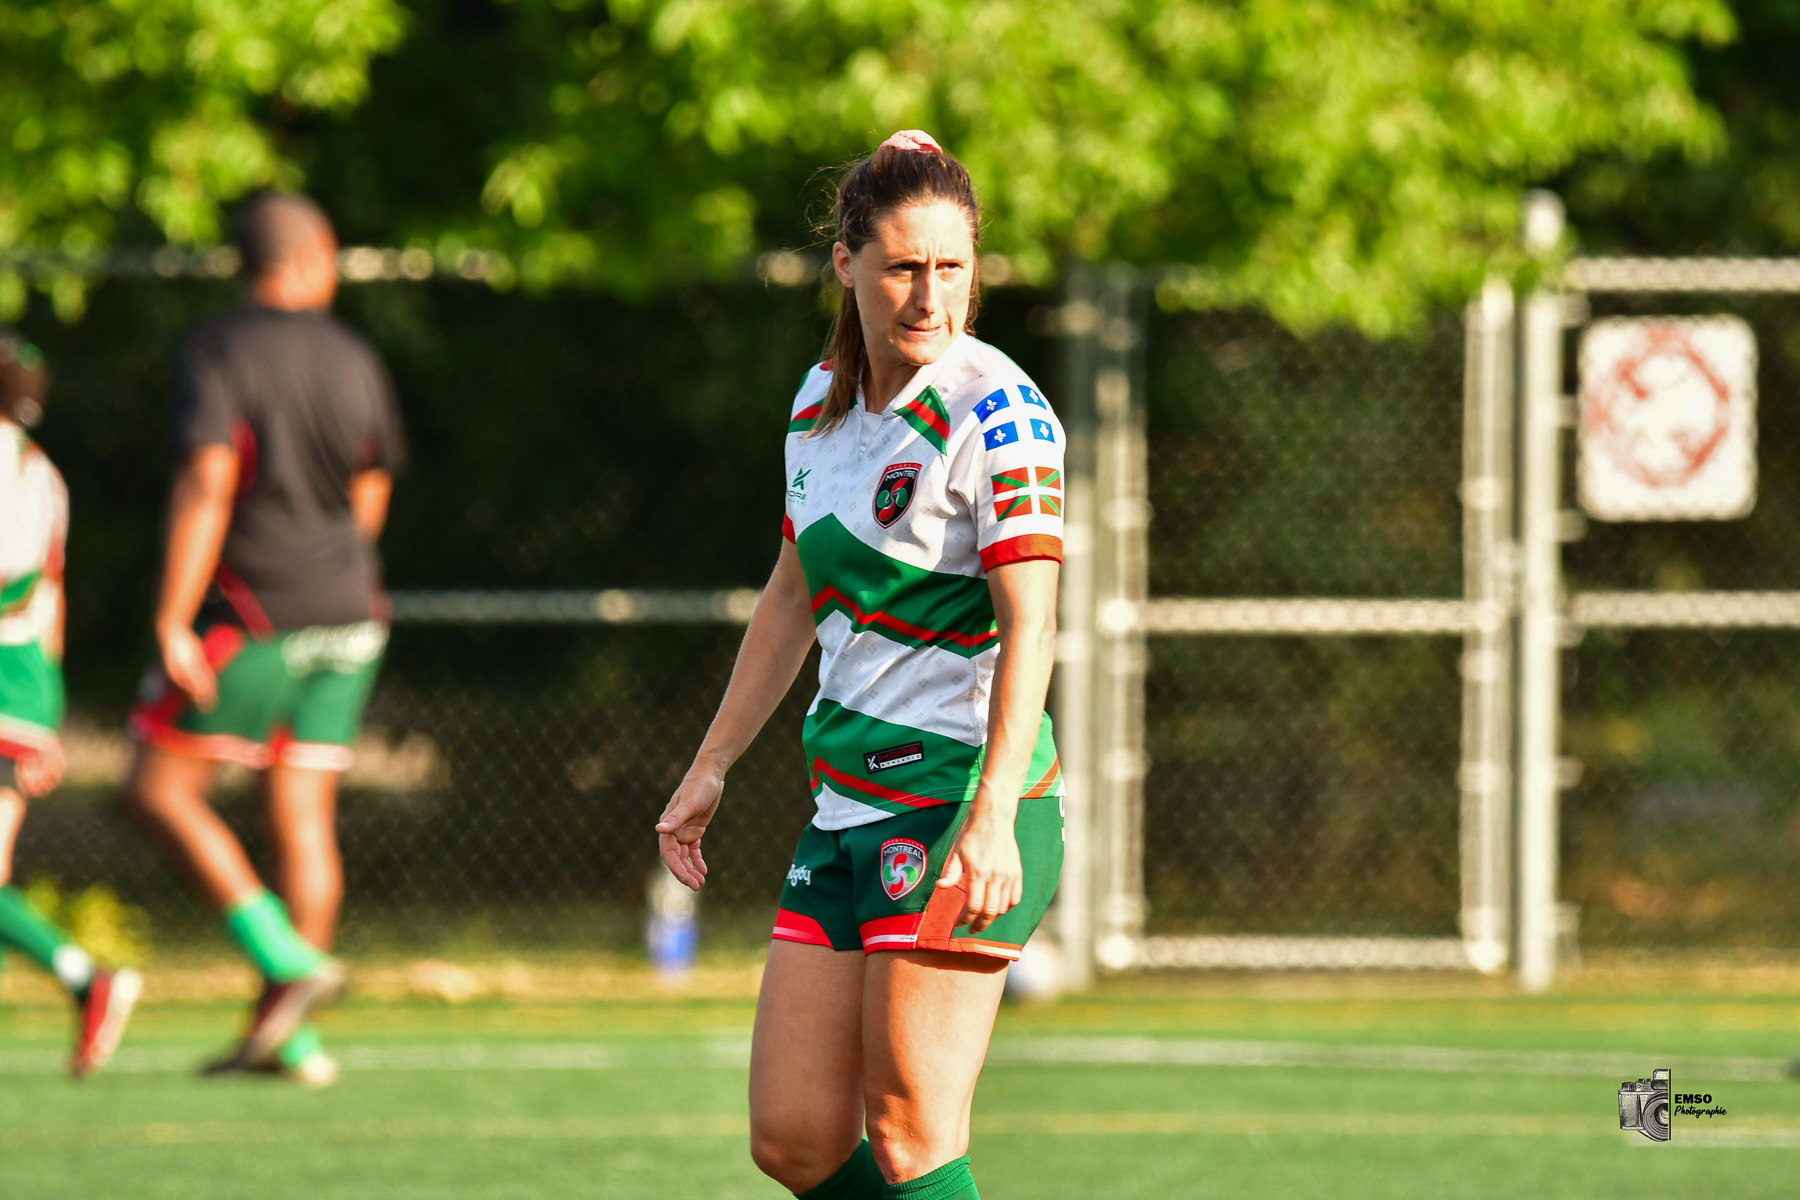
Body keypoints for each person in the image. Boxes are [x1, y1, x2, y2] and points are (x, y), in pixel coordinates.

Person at [657, 131, 1066, 1200]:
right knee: (793, 1138)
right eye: (902, 267)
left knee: (910, 1138)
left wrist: (989, 819)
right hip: (845, 803)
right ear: (845, 262)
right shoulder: (819, 406)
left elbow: (1035, 626)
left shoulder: (1001, 412)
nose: (930, 295)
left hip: (952, 802)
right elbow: (791, 595)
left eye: (953, 267)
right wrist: (711, 767)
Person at [124, 192, 404, 1086]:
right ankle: (290, 1040)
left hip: (254, 609)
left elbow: (208, 482)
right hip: (351, 609)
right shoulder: (356, 355)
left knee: (157, 789)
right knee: (302, 816)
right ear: (314, 257)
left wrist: (173, 617)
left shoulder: (219, 350)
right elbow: (371, 484)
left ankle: (285, 962)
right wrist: (341, 567)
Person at [0, 329, 142, 1076]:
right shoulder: (40, 473)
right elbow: (47, 598)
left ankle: (89, 979)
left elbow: (14, 585)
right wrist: (46, 713)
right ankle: (88, 981)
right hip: (24, 683)